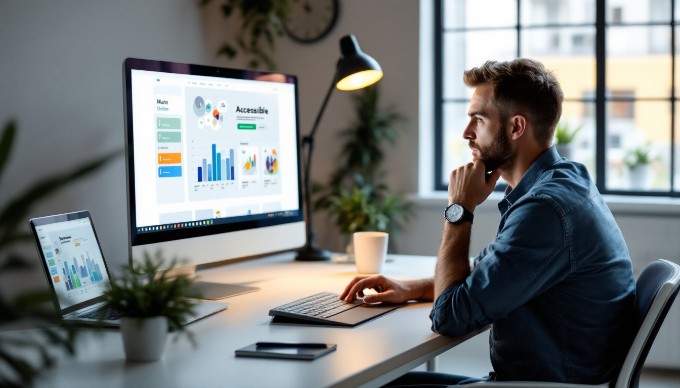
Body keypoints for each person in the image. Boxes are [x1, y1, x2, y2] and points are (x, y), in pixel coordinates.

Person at [340, 58, 636, 385]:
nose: (467, 133)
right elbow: (491, 271)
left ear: (515, 127)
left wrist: (459, 209)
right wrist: (409, 288)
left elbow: (449, 316)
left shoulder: (545, 208)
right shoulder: (563, 180)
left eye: (478, 120)